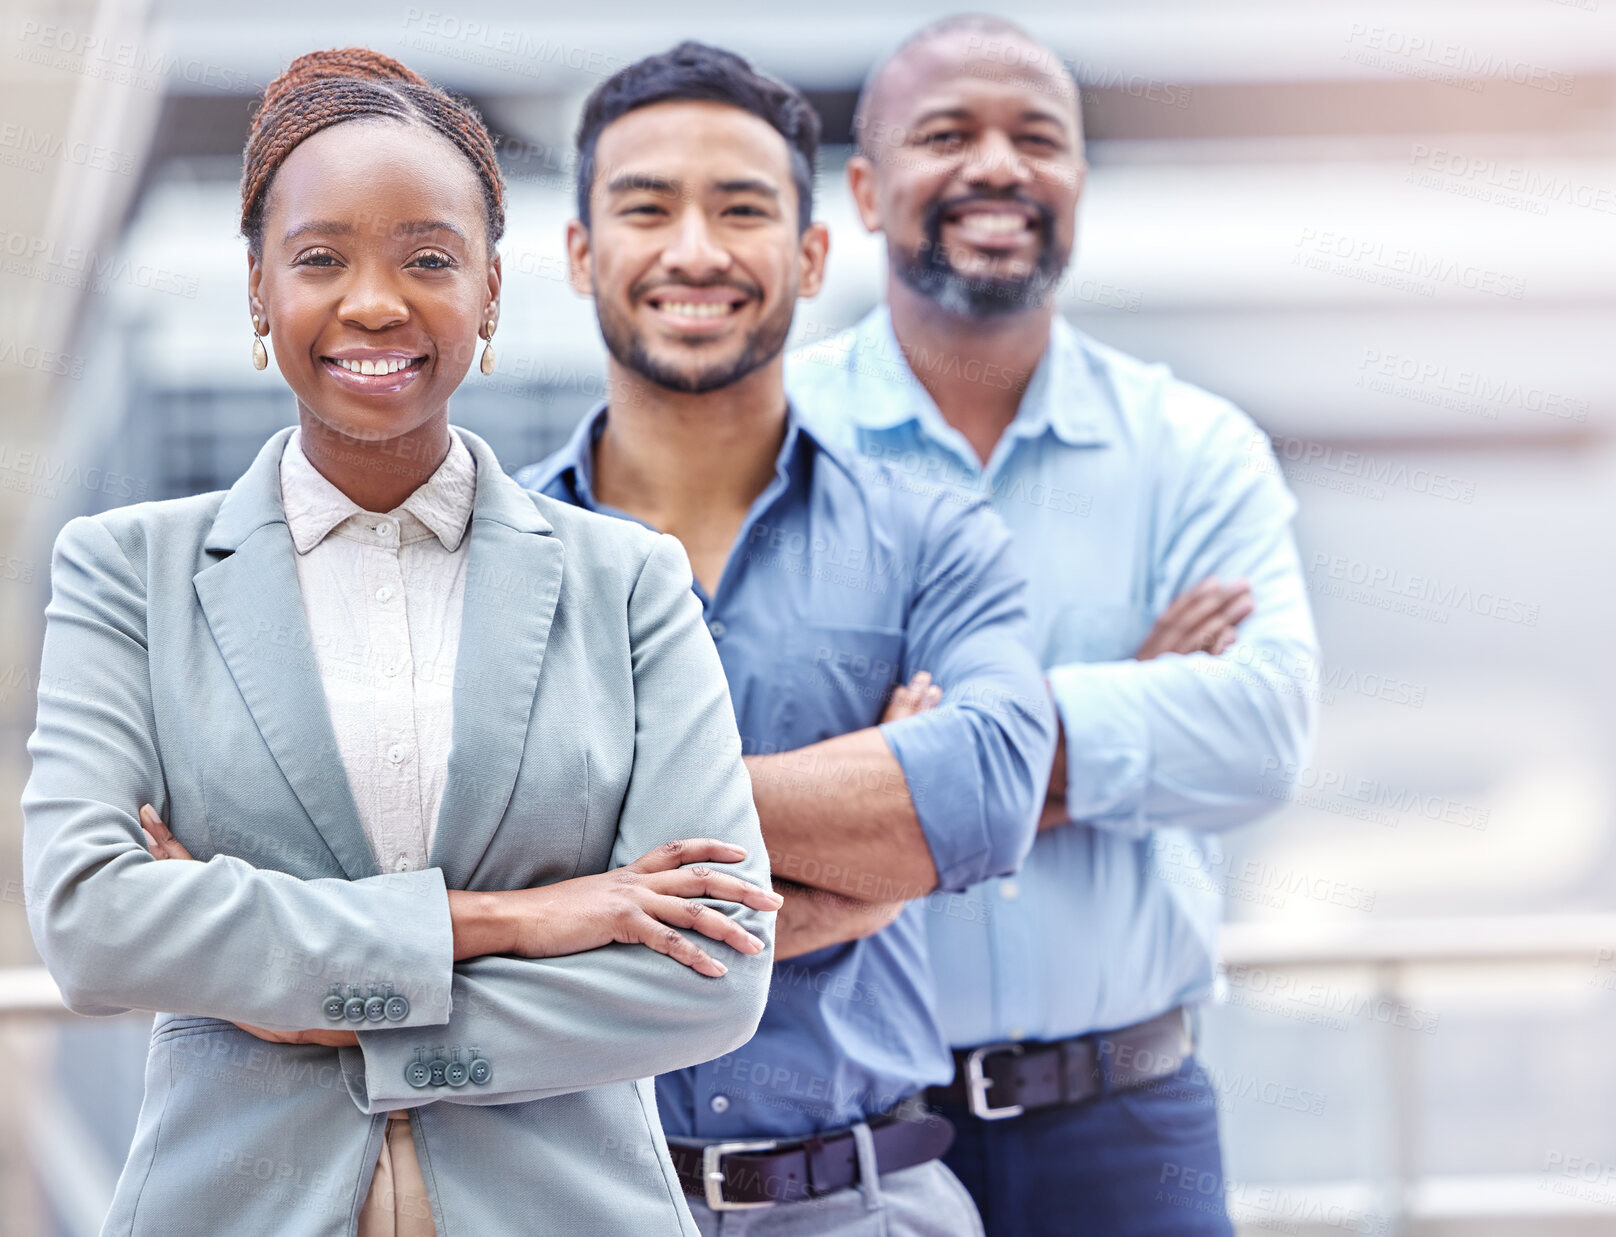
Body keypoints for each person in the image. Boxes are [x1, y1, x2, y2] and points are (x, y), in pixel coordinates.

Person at [22, 48, 780, 1237]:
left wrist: (305, 995)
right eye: (320, 257)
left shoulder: (625, 584)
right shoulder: (130, 574)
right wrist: (510, 919)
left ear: (487, 292)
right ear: (260, 291)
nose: (374, 300)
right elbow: (92, 921)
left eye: (427, 258)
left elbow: (713, 970)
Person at [786, 16, 1319, 1236]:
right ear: (865, 191)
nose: (997, 166)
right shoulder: (773, 451)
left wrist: (906, 767)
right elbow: (730, 784)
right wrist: (1116, 712)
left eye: (1037, 138)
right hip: (846, 1138)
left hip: (1131, 1126)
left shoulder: (1193, 450)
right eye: (945, 134)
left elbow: (1259, 735)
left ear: (1076, 183)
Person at [516, 41, 1055, 1236]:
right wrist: (860, 870)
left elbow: (987, 791)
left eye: (742, 208)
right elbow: (452, 880)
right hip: (573, 1203)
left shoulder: (932, 534)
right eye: (645, 207)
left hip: (866, 1203)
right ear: (579, 253)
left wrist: (600, 846)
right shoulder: (482, 560)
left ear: (811, 255)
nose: (694, 250)